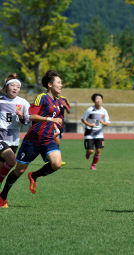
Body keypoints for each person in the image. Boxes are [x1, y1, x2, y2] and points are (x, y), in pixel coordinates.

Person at [0, 70, 63, 208]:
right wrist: (49, 119)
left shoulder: (59, 102)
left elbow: (57, 120)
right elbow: (32, 116)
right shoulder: (42, 97)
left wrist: (57, 132)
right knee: (19, 170)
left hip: (47, 140)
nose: (61, 85)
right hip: (33, 140)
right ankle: (2, 197)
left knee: (57, 163)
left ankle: (34, 176)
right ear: (50, 85)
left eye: (61, 83)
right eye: (59, 82)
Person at [0, 73, 30, 188]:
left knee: (4, 165)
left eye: (18, 87)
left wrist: (22, 117)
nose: (15, 88)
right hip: (1, 137)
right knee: (12, 161)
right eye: (12, 85)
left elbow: (27, 121)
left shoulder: (23, 103)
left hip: (14, 139)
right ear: (7, 87)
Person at [81, 93, 110, 170]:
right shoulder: (89, 110)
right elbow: (83, 119)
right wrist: (89, 125)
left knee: (98, 150)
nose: (99, 100)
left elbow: (107, 123)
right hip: (89, 132)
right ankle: (88, 153)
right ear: (94, 101)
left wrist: (102, 123)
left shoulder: (104, 111)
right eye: (97, 99)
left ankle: (93, 165)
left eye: (100, 99)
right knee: (90, 151)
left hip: (99, 133)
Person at [53, 95, 71, 166]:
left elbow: (69, 111)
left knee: (57, 141)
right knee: (56, 140)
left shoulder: (63, 99)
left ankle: (52, 158)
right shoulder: (50, 98)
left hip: (60, 123)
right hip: (52, 122)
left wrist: (65, 105)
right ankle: (54, 159)